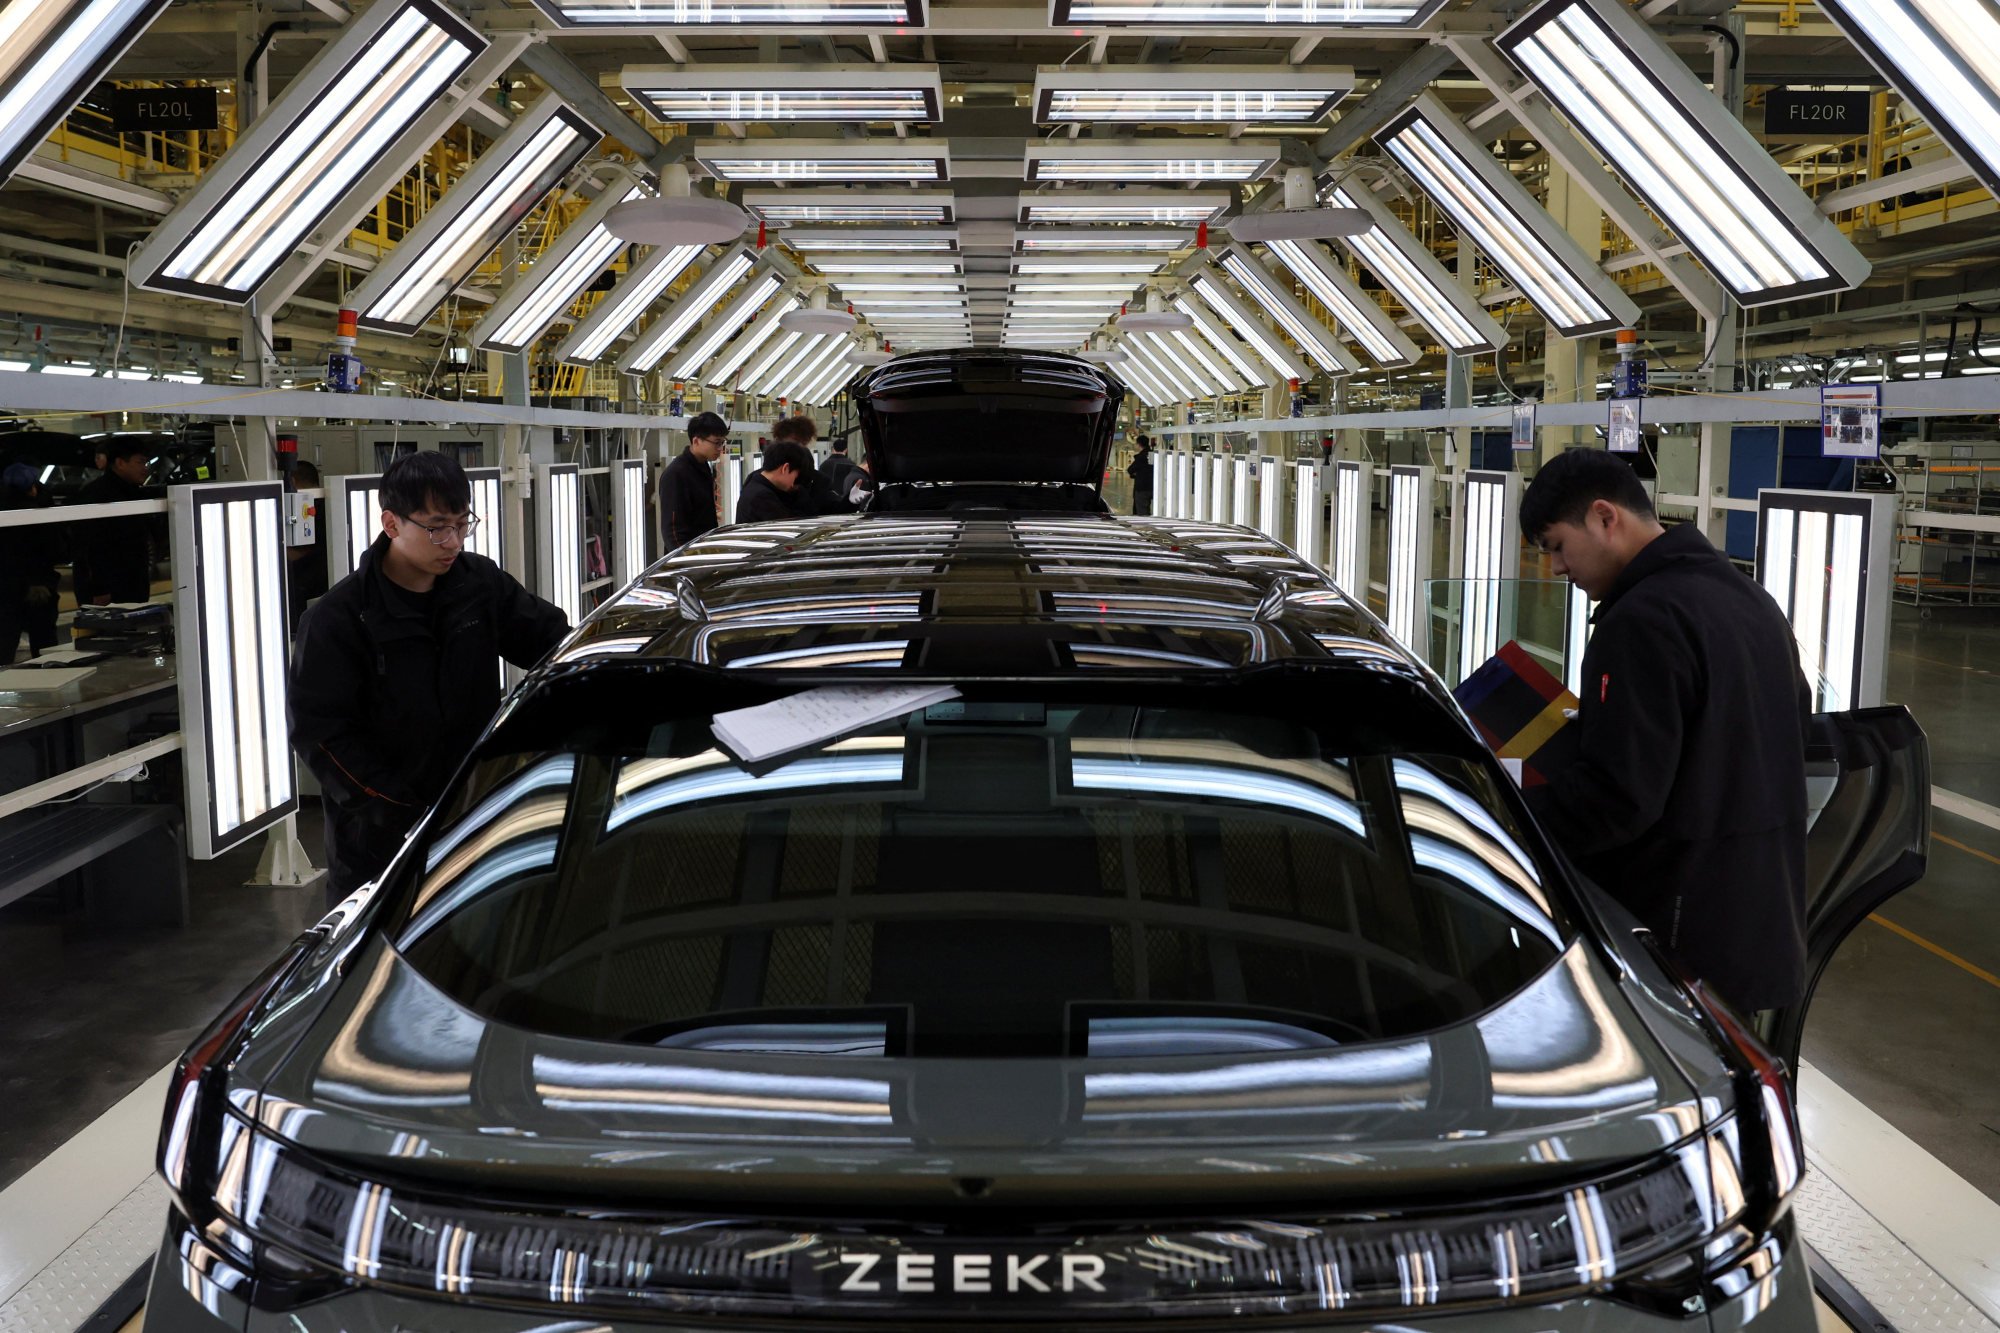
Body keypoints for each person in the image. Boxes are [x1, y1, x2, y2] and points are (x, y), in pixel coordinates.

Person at [1517, 448, 1811, 1016]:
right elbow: (1789, 731)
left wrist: (1506, 813)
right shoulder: (1749, 598)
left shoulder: (1642, 620)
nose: (1556, 568)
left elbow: (1618, 797)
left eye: (1557, 546)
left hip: (1673, 937)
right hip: (1757, 922)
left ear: (1605, 516)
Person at [289, 450, 569, 905]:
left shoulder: (477, 586)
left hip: (477, 819)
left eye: (462, 523)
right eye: (437, 527)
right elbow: (322, 736)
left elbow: (552, 641)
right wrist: (404, 812)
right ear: (392, 524)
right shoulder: (340, 619)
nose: (453, 541)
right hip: (379, 845)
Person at [72, 438, 157, 604]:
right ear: (120, 463)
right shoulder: (98, 495)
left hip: (130, 588)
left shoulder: (131, 492)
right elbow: (89, 548)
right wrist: (99, 590)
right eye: (140, 462)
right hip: (107, 594)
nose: (145, 469)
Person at [0, 463, 60, 662]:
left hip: (8, 588)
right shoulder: (42, 512)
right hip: (40, 588)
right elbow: (54, 549)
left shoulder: (7, 511)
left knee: (6, 644)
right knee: (45, 647)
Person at [662, 411, 729, 552]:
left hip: (704, 552)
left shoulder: (704, 467)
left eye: (723, 442)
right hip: (687, 559)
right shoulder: (676, 474)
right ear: (696, 441)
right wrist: (684, 560)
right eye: (716, 443)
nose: (720, 449)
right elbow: (672, 530)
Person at [286, 459, 330, 634]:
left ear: (293, 482)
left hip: (305, 588)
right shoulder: (329, 505)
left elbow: (298, 553)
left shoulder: (304, 509)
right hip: (324, 584)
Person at [735, 439, 814, 525]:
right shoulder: (761, 497)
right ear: (785, 468)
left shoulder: (753, 483)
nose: (793, 485)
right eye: (795, 478)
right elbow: (788, 528)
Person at [1127, 435, 1154, 516]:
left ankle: (1143, 528)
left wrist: (1137, 474)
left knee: (1142, 512)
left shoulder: (1141, 457)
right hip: (1153, 486)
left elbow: (1130, 470)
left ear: (1139, 444)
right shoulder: (1153, 454)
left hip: (1142, 488)